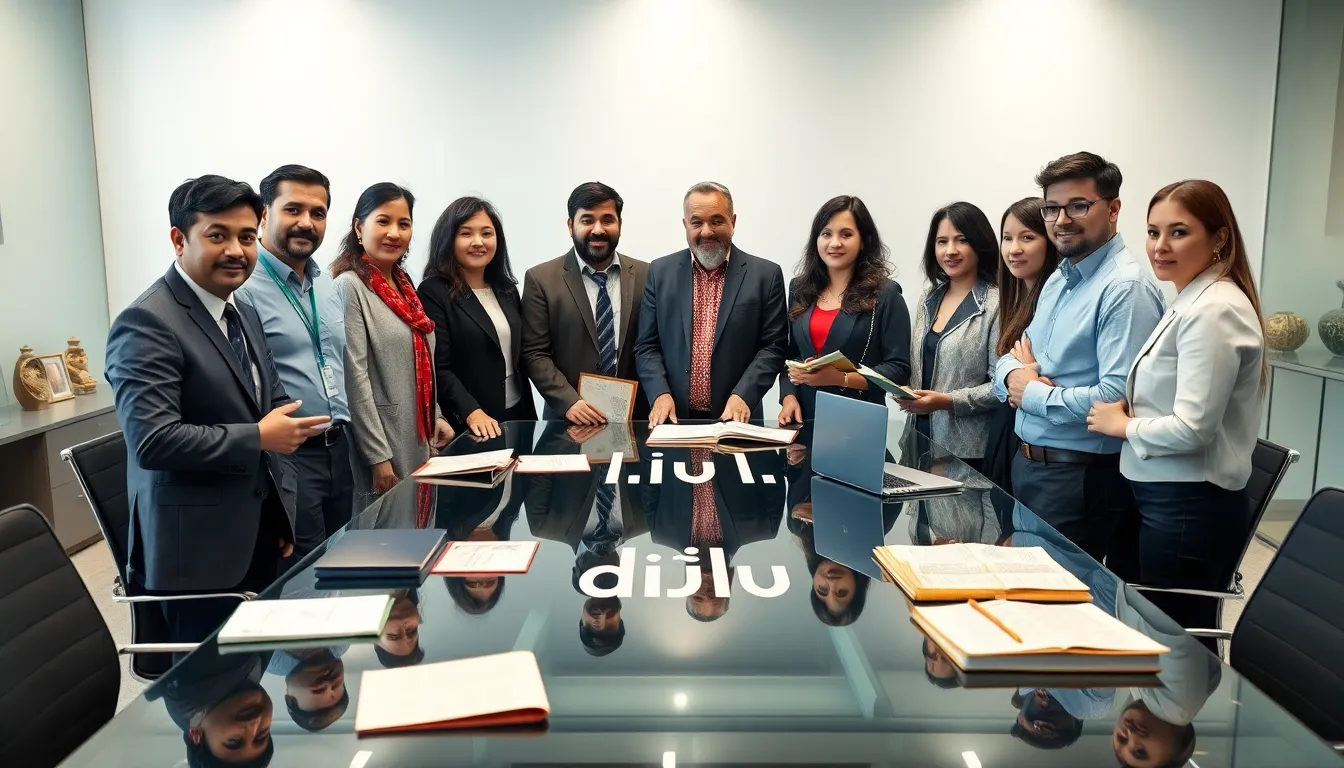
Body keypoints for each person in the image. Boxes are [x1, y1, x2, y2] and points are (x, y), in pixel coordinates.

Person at [106, 175, 329, 647]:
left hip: (253, 531)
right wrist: (259, 437)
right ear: (178, 239)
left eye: (247, 237)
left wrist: (277, 515)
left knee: (253, 686)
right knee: (211, 701)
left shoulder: (239, 310)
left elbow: (269, 403)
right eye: (217, 236)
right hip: (195, 556)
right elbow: (153, 440)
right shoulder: (147, 322)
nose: (236, 250)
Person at [1087, 179, 1266, 632]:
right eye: (1152, 232)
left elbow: (1192, 429)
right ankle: (1152, 704)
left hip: (1187, 503)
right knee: (1144, 628)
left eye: (1178, 232)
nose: (1160, 246)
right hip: (1159, 492)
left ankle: (1166, 707)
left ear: (1219, 237)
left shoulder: (1215, 309)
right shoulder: (1191, 298)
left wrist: (1121, 425)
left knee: (1175, 642)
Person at [992, 152, 1165, 561]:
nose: (1061, 220)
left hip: (1078, 474)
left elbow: (1115, 398)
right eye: (1052, 208)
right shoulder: (1060, 278)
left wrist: (1030, 392)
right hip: (1031, 464)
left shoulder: (1124, 288)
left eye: (1078, 206)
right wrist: (1015, 379)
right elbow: (1011, 358)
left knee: (1057, 605)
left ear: (1113, 209)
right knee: (1027, 593)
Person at [237, 165, 353, 566]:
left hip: (339, 448)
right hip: (288, 459)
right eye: (293, 209)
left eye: (318, 213)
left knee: (343, 564)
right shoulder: (243, 289)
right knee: (305, 574)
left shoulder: (326, 283)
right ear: (264, 214)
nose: (306, 222)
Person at [333, 183, 455, 507]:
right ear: (359, 228)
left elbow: (422, 362)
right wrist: (377, 456)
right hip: (382, 444)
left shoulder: (405, 285)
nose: (394, 233)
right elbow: (353, 376)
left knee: (414, 541)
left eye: (404, 223)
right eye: (383, 221)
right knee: (382, 546)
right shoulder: (349, 287)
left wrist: (437, 417)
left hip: (416, 437)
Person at [635, 181, 788, 424]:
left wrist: (743, 396)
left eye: (717, 221)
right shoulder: (660, 272)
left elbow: (773, 347)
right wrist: (660, 394)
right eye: (697, 222)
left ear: (733, 222)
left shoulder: (766, 276)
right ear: (685, 225)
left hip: (737, 420)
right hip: (673, 420)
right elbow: (646, 346)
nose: (706, 231)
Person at [522, 182, 651, 423]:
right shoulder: (541, 279)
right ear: (571, 226)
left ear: (620, 225)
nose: (598, 229)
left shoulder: (648, 275)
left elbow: (653, 346)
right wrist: (569, 402)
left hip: (635, 420)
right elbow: (534, 353)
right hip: (568, 421)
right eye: (587, 220)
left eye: (608, 220)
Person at [777, 195, 911, 424]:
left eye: (846, 234)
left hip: (857, 421)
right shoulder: (799, 288)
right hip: (802, 419)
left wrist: (841, 378)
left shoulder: (886, 294)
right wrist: (788, 397)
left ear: (863, 241)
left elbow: (898, 369)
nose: (834, 243)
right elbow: (791, 355)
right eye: (826, 233)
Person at [420, 196, 538, 438]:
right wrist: (472, 412)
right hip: (472, 422)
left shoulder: (506, 289)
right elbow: (438, 368)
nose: (478, 242)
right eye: (466, 234)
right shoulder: (433, 291)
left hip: (519, 412)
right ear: (448, 239)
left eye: (486, 233)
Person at [896, 202, 1001, 468]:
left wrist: (947, 402)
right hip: (918, 438)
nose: (950, 251)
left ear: (980, 244)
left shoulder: (996, 303)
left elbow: (1001, 387)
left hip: (967, 449)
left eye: (961, 240)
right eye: (942, 241)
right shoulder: (929, 297)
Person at [981, 198, 1060, 493]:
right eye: (1007, 237)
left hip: (1034, 443)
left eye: (1028, 237)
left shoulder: (1051, 303)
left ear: (1050, 242)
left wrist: (1023, 382)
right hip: (1008, 432)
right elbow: (1004, 382)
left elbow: (1041, 380)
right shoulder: (1016, 301)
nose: (1014, 249)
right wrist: (1014, 375)